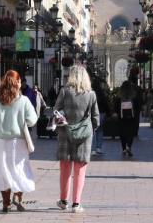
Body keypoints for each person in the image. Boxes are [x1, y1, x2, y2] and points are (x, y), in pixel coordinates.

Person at [0, 70, 37, 213]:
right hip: (19, 142)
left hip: (1, 142)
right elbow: (32, 120)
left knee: (3, 172)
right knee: (20, 170)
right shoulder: (23, 101)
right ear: (18, 83)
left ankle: (5, 203)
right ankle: (18, 196)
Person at [53, 66, 99, 213]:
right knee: (80, 170)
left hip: (65, 133)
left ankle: (63, 200)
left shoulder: (65, 92)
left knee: (65, 168)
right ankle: (76, 204)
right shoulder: (91, 94)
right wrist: (89, 129)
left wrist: (64, 122)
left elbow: (56, 110)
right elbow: (96, 118)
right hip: (83, 136)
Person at [117, 79, 141, 157]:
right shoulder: (134, 95)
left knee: (122, 133)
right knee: (130, 133)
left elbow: (116, 106)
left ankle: (124, 148)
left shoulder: (119, 95)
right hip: (132, 117)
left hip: (122, 117)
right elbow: (138, 105)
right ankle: (129, 147)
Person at [90, 78, 110, 156]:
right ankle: (99, 148)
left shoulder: (90, 93)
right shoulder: (101, 93)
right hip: (101, 113)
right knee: (100, 131)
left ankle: (93, 149)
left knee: (93, 131)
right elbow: (106, 103)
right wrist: (108, 113)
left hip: (92, 114)